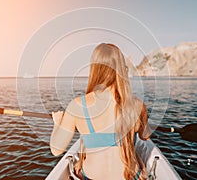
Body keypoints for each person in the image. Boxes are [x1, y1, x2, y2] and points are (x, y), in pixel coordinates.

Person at [50, 43, 151, 180]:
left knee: (78, 167)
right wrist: (144, 120)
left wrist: (58, 123)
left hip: (91, 178)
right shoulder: (138, 105)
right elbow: (145, 136)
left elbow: (56, 150)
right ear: (122, 69)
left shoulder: (77, 106)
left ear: (94, 69)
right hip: (132, 177)